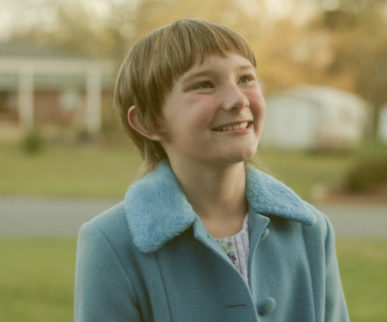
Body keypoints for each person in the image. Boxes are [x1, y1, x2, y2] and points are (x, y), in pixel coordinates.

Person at [74, 19, 349, 322]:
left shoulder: (310, 230)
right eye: (204, 84)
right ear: (149, 121)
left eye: (246, 78)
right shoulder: (111, 243)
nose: (238, 99)